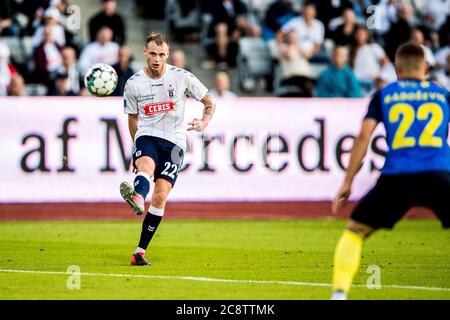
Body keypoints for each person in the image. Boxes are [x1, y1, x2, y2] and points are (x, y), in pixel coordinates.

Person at [330, 42, 450, 300]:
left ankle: (339, 295)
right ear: (426, 68)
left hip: (397, 176)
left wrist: (347, 181)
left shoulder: (384, 94)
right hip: (440, 172)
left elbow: (363, 136)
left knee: (355, 230)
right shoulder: (443, 94)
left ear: (396, 68)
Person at [120, 33, 216, 266]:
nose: (156, 59)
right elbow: (132, 119)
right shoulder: (134, 83)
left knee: (161, 195)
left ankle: (139, 251)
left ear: (167, 55)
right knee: (145, 166)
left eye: (161, 54)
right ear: (145, 52)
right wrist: (136, 148)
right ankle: (137, 196)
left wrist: (203, 123)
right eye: (153, 53)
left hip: (175, 141)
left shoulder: (182, 77)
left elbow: (209, 102)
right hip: (148, 135)